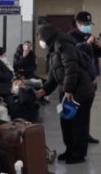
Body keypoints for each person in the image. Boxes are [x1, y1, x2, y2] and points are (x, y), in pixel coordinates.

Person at [36, 24, 96, 164]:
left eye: (41, 38)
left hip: (80, 91)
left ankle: (79, 154)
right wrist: (45, 89)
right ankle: (70, 149)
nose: (41, 42)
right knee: (66, 122)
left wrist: (68, 89)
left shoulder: (64, 45)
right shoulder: (54, 49)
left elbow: (71, 68)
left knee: (78, 124)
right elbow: (54, 73)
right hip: (68, 91)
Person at [69, 11, 101, 145]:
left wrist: (100, 45)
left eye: (89, 24)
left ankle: (85, 134)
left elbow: (99, 53)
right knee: (78, 108)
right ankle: (75, 134)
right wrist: (86, 44)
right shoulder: (70, 37)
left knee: (87, 108)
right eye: (85, 24)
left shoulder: (90, 36)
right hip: (79, 77)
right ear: (77, 23)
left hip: (91, 77)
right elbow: (73, 53)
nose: (87, 26)